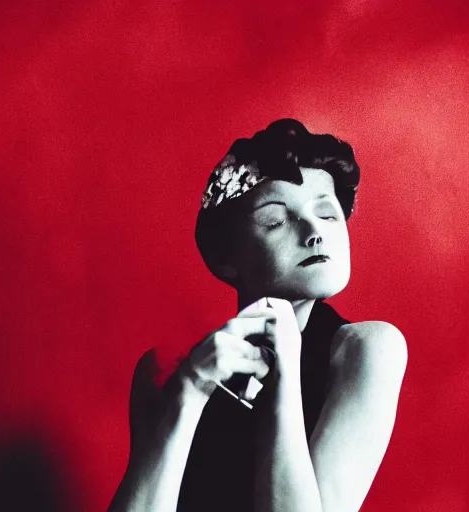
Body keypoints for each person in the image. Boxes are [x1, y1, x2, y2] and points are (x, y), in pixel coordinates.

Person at [108, 119, 408, 512]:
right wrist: (190, 392)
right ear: (225, 258)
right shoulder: (166, 371)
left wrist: (285, 373)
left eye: (328, 214)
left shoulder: (366, 349)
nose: (314, 231)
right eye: (275, 220)